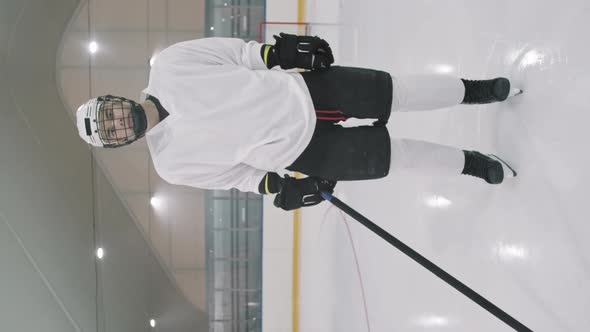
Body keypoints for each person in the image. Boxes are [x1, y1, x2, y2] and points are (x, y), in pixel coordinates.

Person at [76, 33, 521, 211]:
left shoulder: (171, 64)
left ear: (114, 100)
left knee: (397, 92)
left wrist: (282, 54)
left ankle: (476, 90)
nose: (118, 123)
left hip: (305, 91)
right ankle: (473, 164)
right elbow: (239, 176)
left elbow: (240, 55)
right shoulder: (171, 165)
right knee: (396, 157)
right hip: (302, 152)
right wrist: (280, 188)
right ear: (120, 143)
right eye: (112, 132)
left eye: (109, 115)